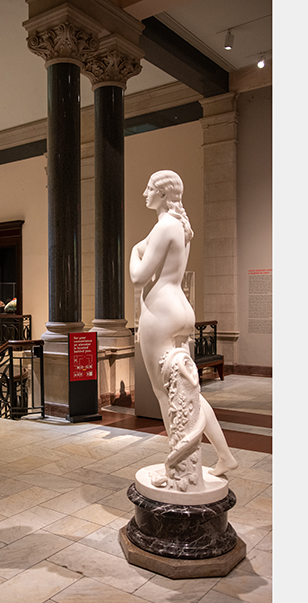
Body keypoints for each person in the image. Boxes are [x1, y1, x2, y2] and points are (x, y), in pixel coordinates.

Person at [130, 170, 238, 482]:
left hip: (160, 311)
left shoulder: (165, 226)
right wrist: (139, 248)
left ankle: (178, 464)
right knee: (188, 391)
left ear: (163, 194)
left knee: (165, 393)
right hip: (181, 308)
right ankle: (225, 455)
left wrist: (130, 255)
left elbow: (139, 275)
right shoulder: (179, 225)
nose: (144, 194)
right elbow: (146, 247)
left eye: (149, 188)